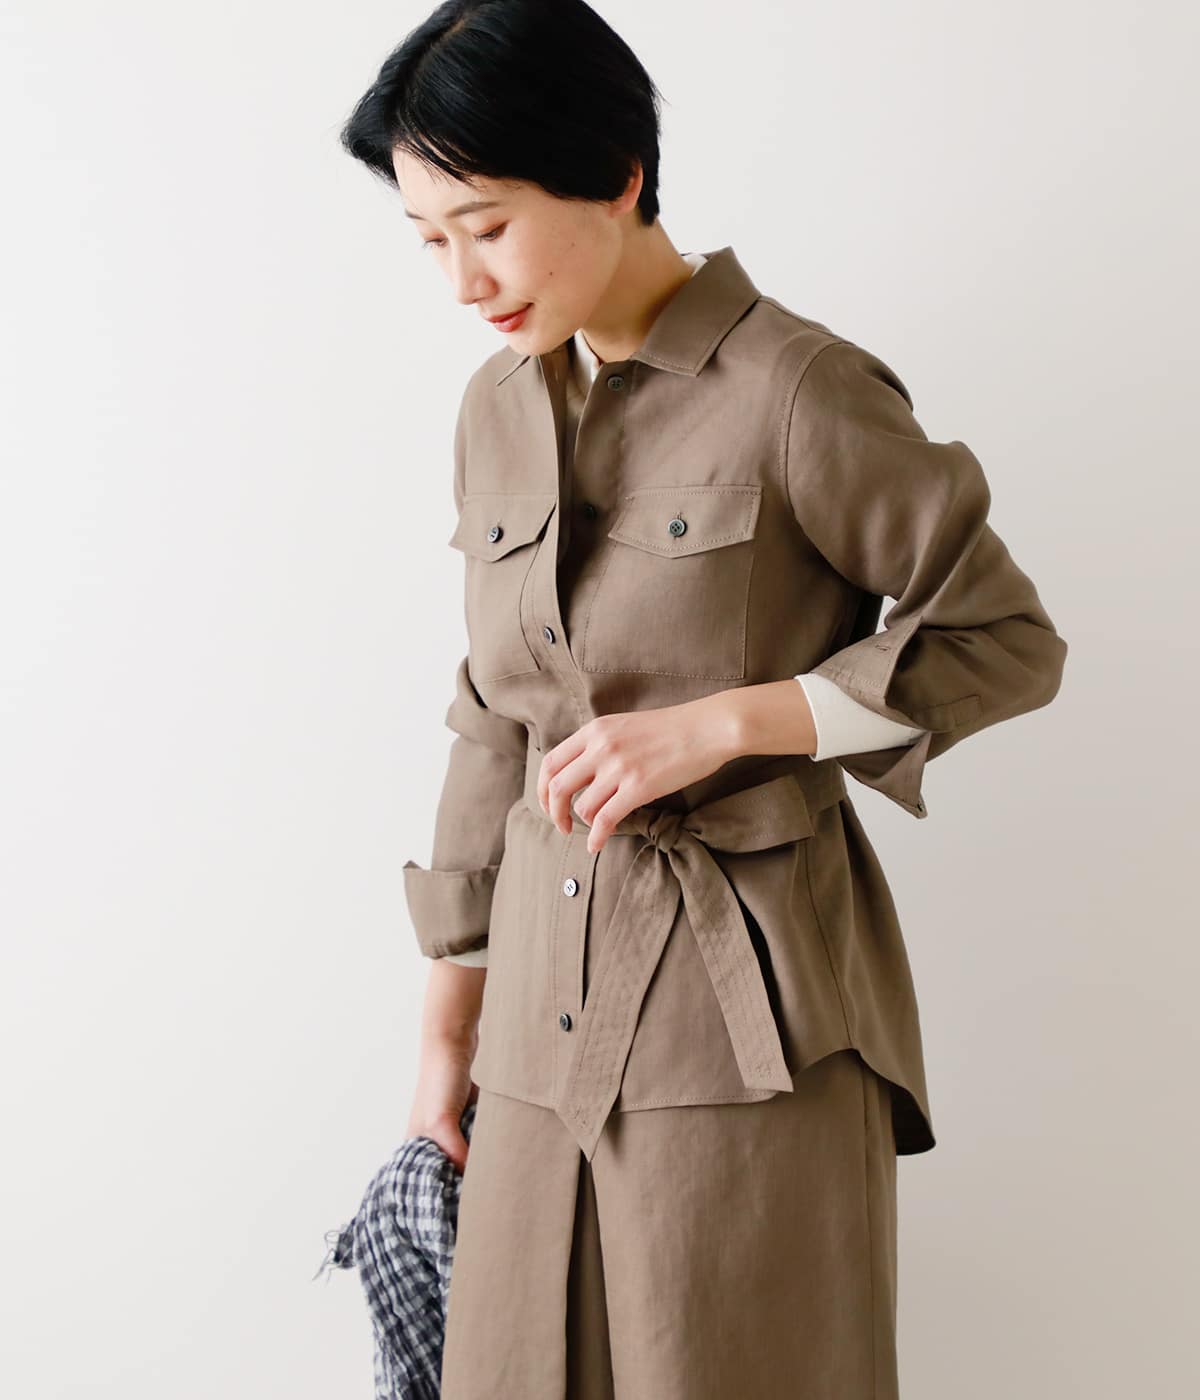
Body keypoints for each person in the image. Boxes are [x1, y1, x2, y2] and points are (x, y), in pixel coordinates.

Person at [339, 2, 1068, 1395]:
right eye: (429, 239)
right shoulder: (496, 408)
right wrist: (444, 1045)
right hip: (534, 1031)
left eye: (487, 226)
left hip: (742, 1032)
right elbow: (494, 723)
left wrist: (736, 722)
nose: (462, 281)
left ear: (617, 174)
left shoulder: (798, 390)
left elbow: (1003, 635)